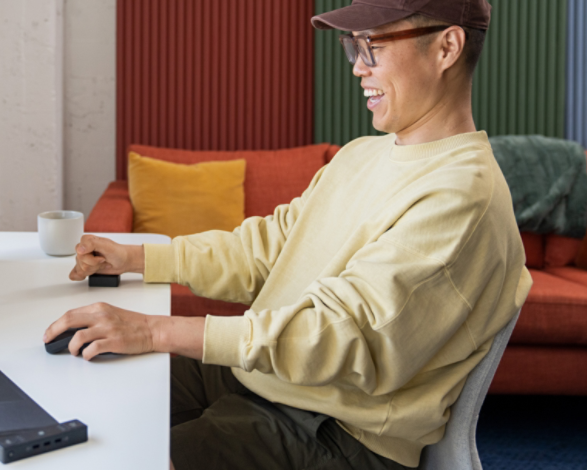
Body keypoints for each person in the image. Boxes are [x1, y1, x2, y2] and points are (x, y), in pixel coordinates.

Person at [43, 0, 532, 468]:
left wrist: (154, 329)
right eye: (353, 46)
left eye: (373, 46)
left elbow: (342, 336)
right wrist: (138, 258)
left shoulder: (462, 197)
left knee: (129, 458)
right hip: (269, 377)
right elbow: (266, 250)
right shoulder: (362, 154)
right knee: (89, 383)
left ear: (447, 47)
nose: (358, 67)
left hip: (338, 430)